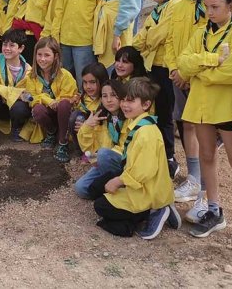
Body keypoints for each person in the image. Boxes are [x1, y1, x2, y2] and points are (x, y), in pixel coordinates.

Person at [177, 0, 232, 246]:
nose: (210, 12)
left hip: (225, 107)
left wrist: (199, 73)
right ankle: (214, 210)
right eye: (207, 7)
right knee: (206, 156)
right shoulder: (201, 32)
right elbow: (183, 62)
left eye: (215, 7)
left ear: (231, 6)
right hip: (202, 106)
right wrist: (211, 61)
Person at [165, 0, 217, 215]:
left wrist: (191, 71)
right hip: (179, 74)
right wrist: (175, 69)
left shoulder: (215, 3)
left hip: (202, 76)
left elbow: (217, 42)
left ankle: (208, 188)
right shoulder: (179, 3)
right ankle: (194, 178)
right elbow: (172, 39)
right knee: (185, 124)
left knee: (202, 128)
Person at [92, 78, 176, 238]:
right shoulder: (139, 125)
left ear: (146, 104)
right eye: (123, 99)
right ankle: (142, 213)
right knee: (96, 187)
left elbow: (143, 172)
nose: (124, 104)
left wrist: (118, 181)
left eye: (130, 101)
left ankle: (150, 211)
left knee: (100, 206)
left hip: (146, 190)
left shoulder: (145, 133)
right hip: (138, 182)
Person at [133, 0, 184, 178]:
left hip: (167, 65)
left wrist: (147, 39)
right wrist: (146, 39)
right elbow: (141, 37)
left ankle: (169, 156)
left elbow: (160, 34)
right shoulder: (157, 9)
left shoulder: (176, 5)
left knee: (167, 113)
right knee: (157, 108)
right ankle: (159, 152)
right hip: (154, 63)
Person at [50, 0, 103, 84]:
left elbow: (100, 16)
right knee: (64, 79)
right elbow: (59, 11)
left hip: (84, 41)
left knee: (83, 79)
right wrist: (55, 35)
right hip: (64, 41)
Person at [22, 38, 78, 159]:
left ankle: (63, 143)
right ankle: (51, 132)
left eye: (47, 55)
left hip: (63, 113)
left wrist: (56, 102)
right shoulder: (32, 76)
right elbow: (31, 97)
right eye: (39, 55)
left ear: (56, 56)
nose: (42, 59)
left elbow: (69, 98)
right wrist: (48, 100)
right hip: (48, 112)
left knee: (63, 104)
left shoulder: (64, 75)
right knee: (37, 110)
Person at [74, 79, 127, 197]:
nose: (109, 100)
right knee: (80, 188)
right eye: (104, 96)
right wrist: (87, 126)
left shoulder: (129, 116)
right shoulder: (100, 118)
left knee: (103, 153)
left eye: (113, 95)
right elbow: (88, 149)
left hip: (125, 164)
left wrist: (102, 157)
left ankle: (117, 185)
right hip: (104, 164)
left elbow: (127, 147)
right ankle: (114, 189)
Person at [67, 62, 108, 159]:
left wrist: (87, 126)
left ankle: (95, 154)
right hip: (86, 132)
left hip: (102, 137)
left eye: (92, 82)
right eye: (85, 82)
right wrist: (84, 126)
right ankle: (81, 151)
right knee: (75, 117)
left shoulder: (107, 99)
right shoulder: (83, 98)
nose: (88, 86)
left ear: (102, 81)